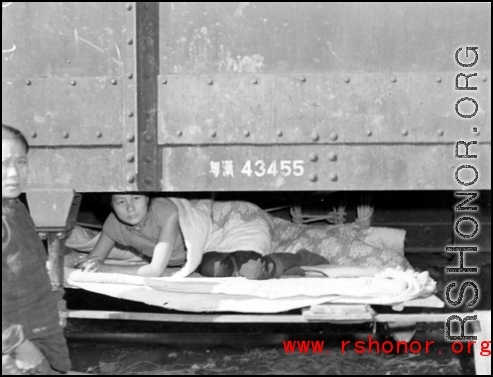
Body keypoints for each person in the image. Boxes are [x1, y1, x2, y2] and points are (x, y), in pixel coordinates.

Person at [77, 193, 330, 279]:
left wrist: (104, 267)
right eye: (120, 201)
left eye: (135, 198)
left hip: (224, 226)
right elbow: (93, 258)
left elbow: (154, 270)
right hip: (204, 252)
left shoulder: (165, 211)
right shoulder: (114, 223)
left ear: (148, 198)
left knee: (252, 271)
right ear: (110, 204)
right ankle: (286, 270)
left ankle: (298, 258)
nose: (130, 208)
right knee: (216, 268)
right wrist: (95, 262)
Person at [2, 124, 71, 375]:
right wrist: (19, 346)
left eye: (21, 162)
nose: (13, 173)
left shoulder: (15, 208)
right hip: (16, 348)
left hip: (39, 335)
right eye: (3, 163)